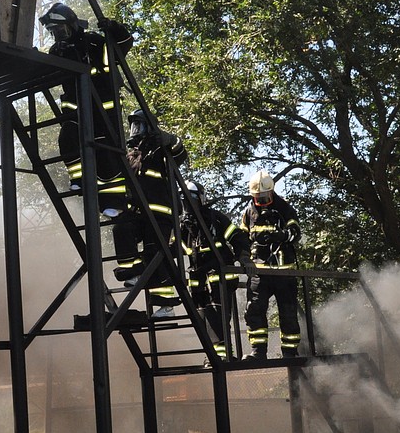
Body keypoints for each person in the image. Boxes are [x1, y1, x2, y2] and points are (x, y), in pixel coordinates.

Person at [38, 2, 132, 211]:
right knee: (67, 139)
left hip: (104, 111)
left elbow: (124, 44)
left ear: (72, 25)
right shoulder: (58, 51)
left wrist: (114, 29)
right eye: (54, 32)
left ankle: (114, 203)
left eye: (60, 30)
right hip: (75, 110)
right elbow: (46, 72)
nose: (58, 36)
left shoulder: (95, 42)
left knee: (107, 155)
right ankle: (79, 179)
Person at [113, 109, 188, 313]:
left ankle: (165, 305)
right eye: (133, 125)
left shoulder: (160, 149)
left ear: (150, 126)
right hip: (138, 212)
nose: (135, 130)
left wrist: (168, 139)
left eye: (140, 125)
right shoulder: (130, 153)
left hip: (160, 213)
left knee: (156, 254)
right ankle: (133, 272)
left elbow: (180, 153)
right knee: (121, 228)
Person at [238, 169, 303, 363]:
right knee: (254, 311)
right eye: (258, 198)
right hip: (259, 272)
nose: (261, 202)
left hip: (284, 272)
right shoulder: (249, 212)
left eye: (265, 198)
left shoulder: (285, 208)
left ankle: (290, 353)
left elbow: (295, 231)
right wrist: (244, 257)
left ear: (272, 192)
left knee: (288, 314)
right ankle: (258, 352)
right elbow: (242, 238)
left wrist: (282, 236)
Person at [180, 180, 245, 364]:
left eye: (190, 198)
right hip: (198, 277)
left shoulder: (215, 219)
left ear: (200, 198)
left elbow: (237, 236)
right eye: (183, 199)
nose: (186, 203)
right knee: (201, 316)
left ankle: (222, 355)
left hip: (220, 274)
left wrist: (244, 256)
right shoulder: (182, 226)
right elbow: (172, 248)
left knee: (218, 313)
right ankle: (213, 355)